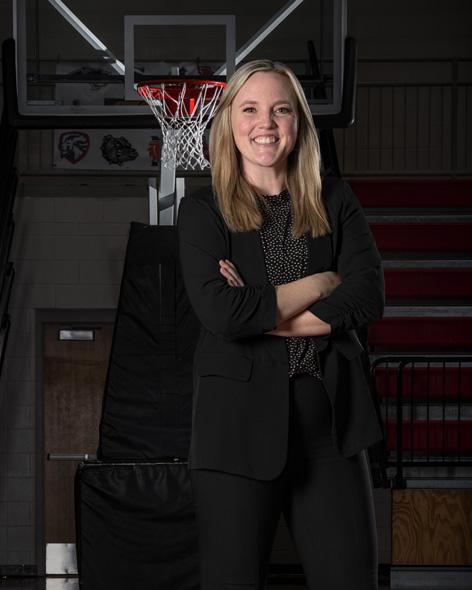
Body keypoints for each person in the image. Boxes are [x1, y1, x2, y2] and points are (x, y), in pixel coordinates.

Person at [177, 59, 385, 590]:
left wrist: (264, 313)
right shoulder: (204, 212)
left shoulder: (336, 201)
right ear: (229, 121)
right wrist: (322, 282)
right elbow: (223, 314)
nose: (265, 123)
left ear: (298, 122)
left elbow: (368, 296)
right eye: (250, 109)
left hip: (330, 427)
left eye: (280, 109)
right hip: (235, 430)